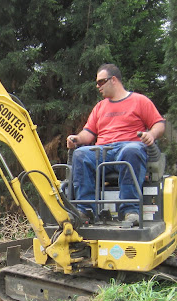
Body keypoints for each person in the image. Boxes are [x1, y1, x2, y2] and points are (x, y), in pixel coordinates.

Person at [66, 64, 165, 225]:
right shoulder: (100, 107)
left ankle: (130, 211)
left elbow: (159, 124)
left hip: (128, 147)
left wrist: (151, 135)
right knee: (80, 153)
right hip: (103, 150)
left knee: (132, 150)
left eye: (101, 82)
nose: (98, 86)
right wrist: (76, 138)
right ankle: (85, 210)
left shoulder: (139, 101)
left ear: (113, 80)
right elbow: (88, 133)